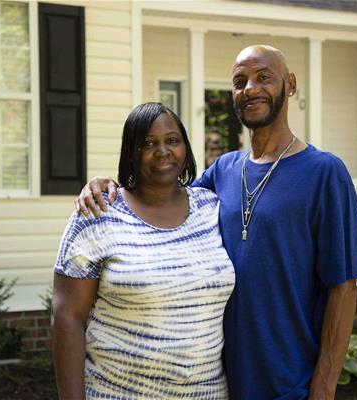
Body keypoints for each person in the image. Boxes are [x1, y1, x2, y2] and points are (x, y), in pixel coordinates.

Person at [77, 45, 357, 400]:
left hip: (292, 382)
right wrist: (110, 186)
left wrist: (323, 388)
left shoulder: (324, 172)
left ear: (290, 85)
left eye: (264, 77)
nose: (251, 88)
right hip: (222, 383)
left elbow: (344, 289)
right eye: (240, 81)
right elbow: (163, 197)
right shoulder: (224, 170)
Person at [52, 102, 235, 399]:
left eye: (172, 140)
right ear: (131, 152)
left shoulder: (212, 207)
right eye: (148, 143)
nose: (162, 151)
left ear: (185, 148)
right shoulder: (98, 214)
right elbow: (67, 317)